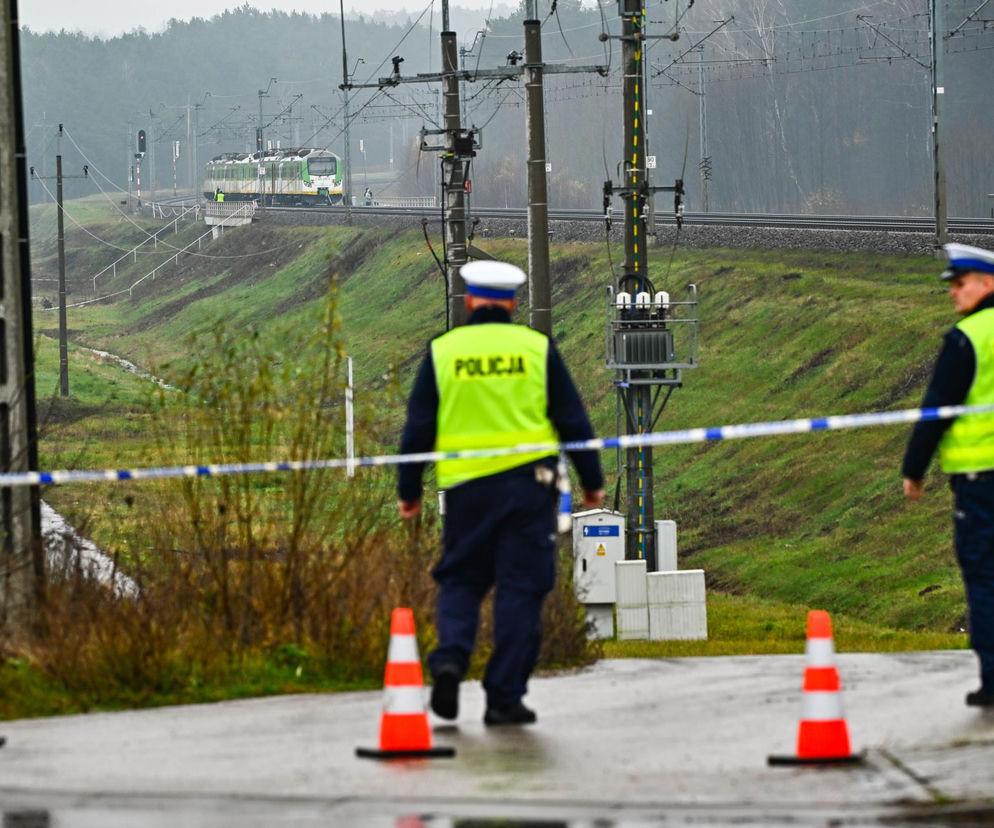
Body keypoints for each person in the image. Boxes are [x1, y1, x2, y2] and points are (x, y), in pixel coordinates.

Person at [397, 260, 605, 726]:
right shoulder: (536, 349)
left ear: (470, 300)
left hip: (465, 491)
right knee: (520, 588)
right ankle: (504, 697)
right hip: (528, 492)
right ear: (512, 302)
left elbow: (419, 427)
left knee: (462, 579)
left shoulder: (443, 351)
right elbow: (572, 420)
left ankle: (450, 658)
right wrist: (592, 480)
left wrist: (408, 489)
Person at [903, 242, 994, 708]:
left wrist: (913, 469)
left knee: (984, 575)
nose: (953, 294)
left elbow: (937, 409)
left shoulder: (968, 338)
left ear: (987, 284)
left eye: (960, 285)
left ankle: (993, 679)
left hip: (981, 482)